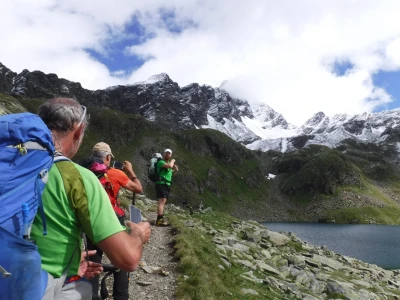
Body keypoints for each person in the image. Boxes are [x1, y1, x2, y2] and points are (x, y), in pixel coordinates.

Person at [30, 98, 151, 299]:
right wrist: (138, 235)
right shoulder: (77, 177)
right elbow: (128, 259)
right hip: (40, 288)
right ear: (78, 131)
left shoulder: (10, 167)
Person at [88, 142, 143, 300]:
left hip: (90, 223)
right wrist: (131, 171)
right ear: (107, 157)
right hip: (113, 221)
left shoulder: (84, 172)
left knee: (93, 263)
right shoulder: (115, 173)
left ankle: (91, 295)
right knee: (121, 262)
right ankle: (120, 296)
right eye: (110, 157)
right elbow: (138, 189)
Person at [155, 149, 178, 226]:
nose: (168, 154)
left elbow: (171, 172)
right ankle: (159, 221)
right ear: (164, 154)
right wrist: (173, 161)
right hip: (161, 183)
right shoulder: (161, 162)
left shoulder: (168, 164)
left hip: (166, 184)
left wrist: (175, 169)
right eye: (166, 153)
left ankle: (159, 219)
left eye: (169, 153)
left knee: (162, 202)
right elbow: (170, 166)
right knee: (162, 202)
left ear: (170, 155)